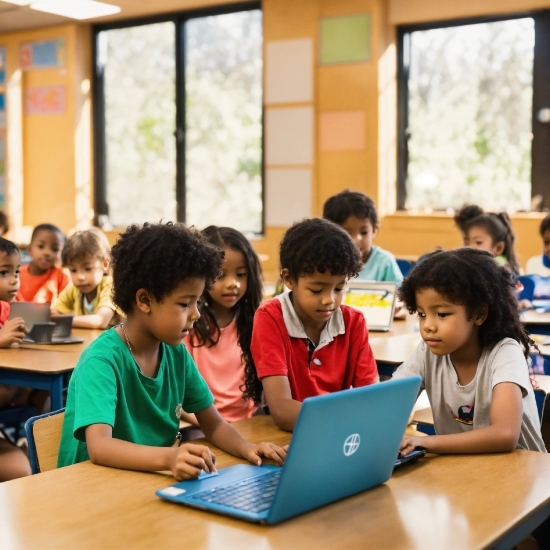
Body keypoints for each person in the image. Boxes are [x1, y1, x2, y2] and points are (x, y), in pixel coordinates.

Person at [57, 222, 287, 479]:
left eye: (198, 301)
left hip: (144, 481)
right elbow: (100, 448)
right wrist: (169, 457)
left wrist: (250, 449)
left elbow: (213, 424)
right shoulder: (102, 360)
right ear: (144, 300)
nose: (196, 313)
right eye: (184, 303)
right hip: (89, 490)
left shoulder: (175, 353)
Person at [394, 248, 545, 455]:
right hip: (464, 472)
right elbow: (389, 403)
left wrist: (423, 442)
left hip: (521, 477)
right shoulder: (427, 352)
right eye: (421, 314)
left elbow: (504, 434)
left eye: (442, 314)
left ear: (478, 314)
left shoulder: (505, 352)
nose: (428, 325)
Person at [246, 218, 379, 432]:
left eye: (338, 289)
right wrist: (349, 421)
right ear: (289, 279)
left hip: (336, 431)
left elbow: (371, 398)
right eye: (317, 290)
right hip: (281, 432)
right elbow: (281, 410)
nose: (329, 300)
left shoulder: (354, 322)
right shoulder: (270, 317)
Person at [185, 226, 261, 423]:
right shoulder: (187, 325)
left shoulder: (256, 322)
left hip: (250, 423)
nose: (232, 283)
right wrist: (214, 425)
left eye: (241, 275)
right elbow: (178, 398)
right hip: (201, 425)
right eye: (220, 275)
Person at [0, 237, 35, 480]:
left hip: (11, 398)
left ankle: (26, 439)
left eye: (16, 272)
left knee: (40, 393)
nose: (14, 280)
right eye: (4, 273)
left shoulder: (7, 309)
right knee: (21, 471)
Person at [323, 190, 403, 284]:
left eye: (364, 232)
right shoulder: (327, 262)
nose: (356, 239)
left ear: (374, 230)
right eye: (347, 234)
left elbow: (399, 295)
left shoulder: (384, 262)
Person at [52, 228, 119, 329]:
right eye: (73, 270)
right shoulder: (73, 289)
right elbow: (54, 313)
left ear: (105, 264)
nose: (80, 277)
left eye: (88, 269)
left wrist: (62, 320)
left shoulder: (110, 287)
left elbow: (100, 321)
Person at [454, 204, 521, 276]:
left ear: (498, 248)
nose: (469, 247)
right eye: (466, 243)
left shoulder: (500, 269)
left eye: (478, 242)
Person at [16, 223, 69, 305]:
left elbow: (67, 304)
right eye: (41, 246)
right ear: (30, 249)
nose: (47, 253)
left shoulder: (62, 276)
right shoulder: (17, 274)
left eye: (55, 249)